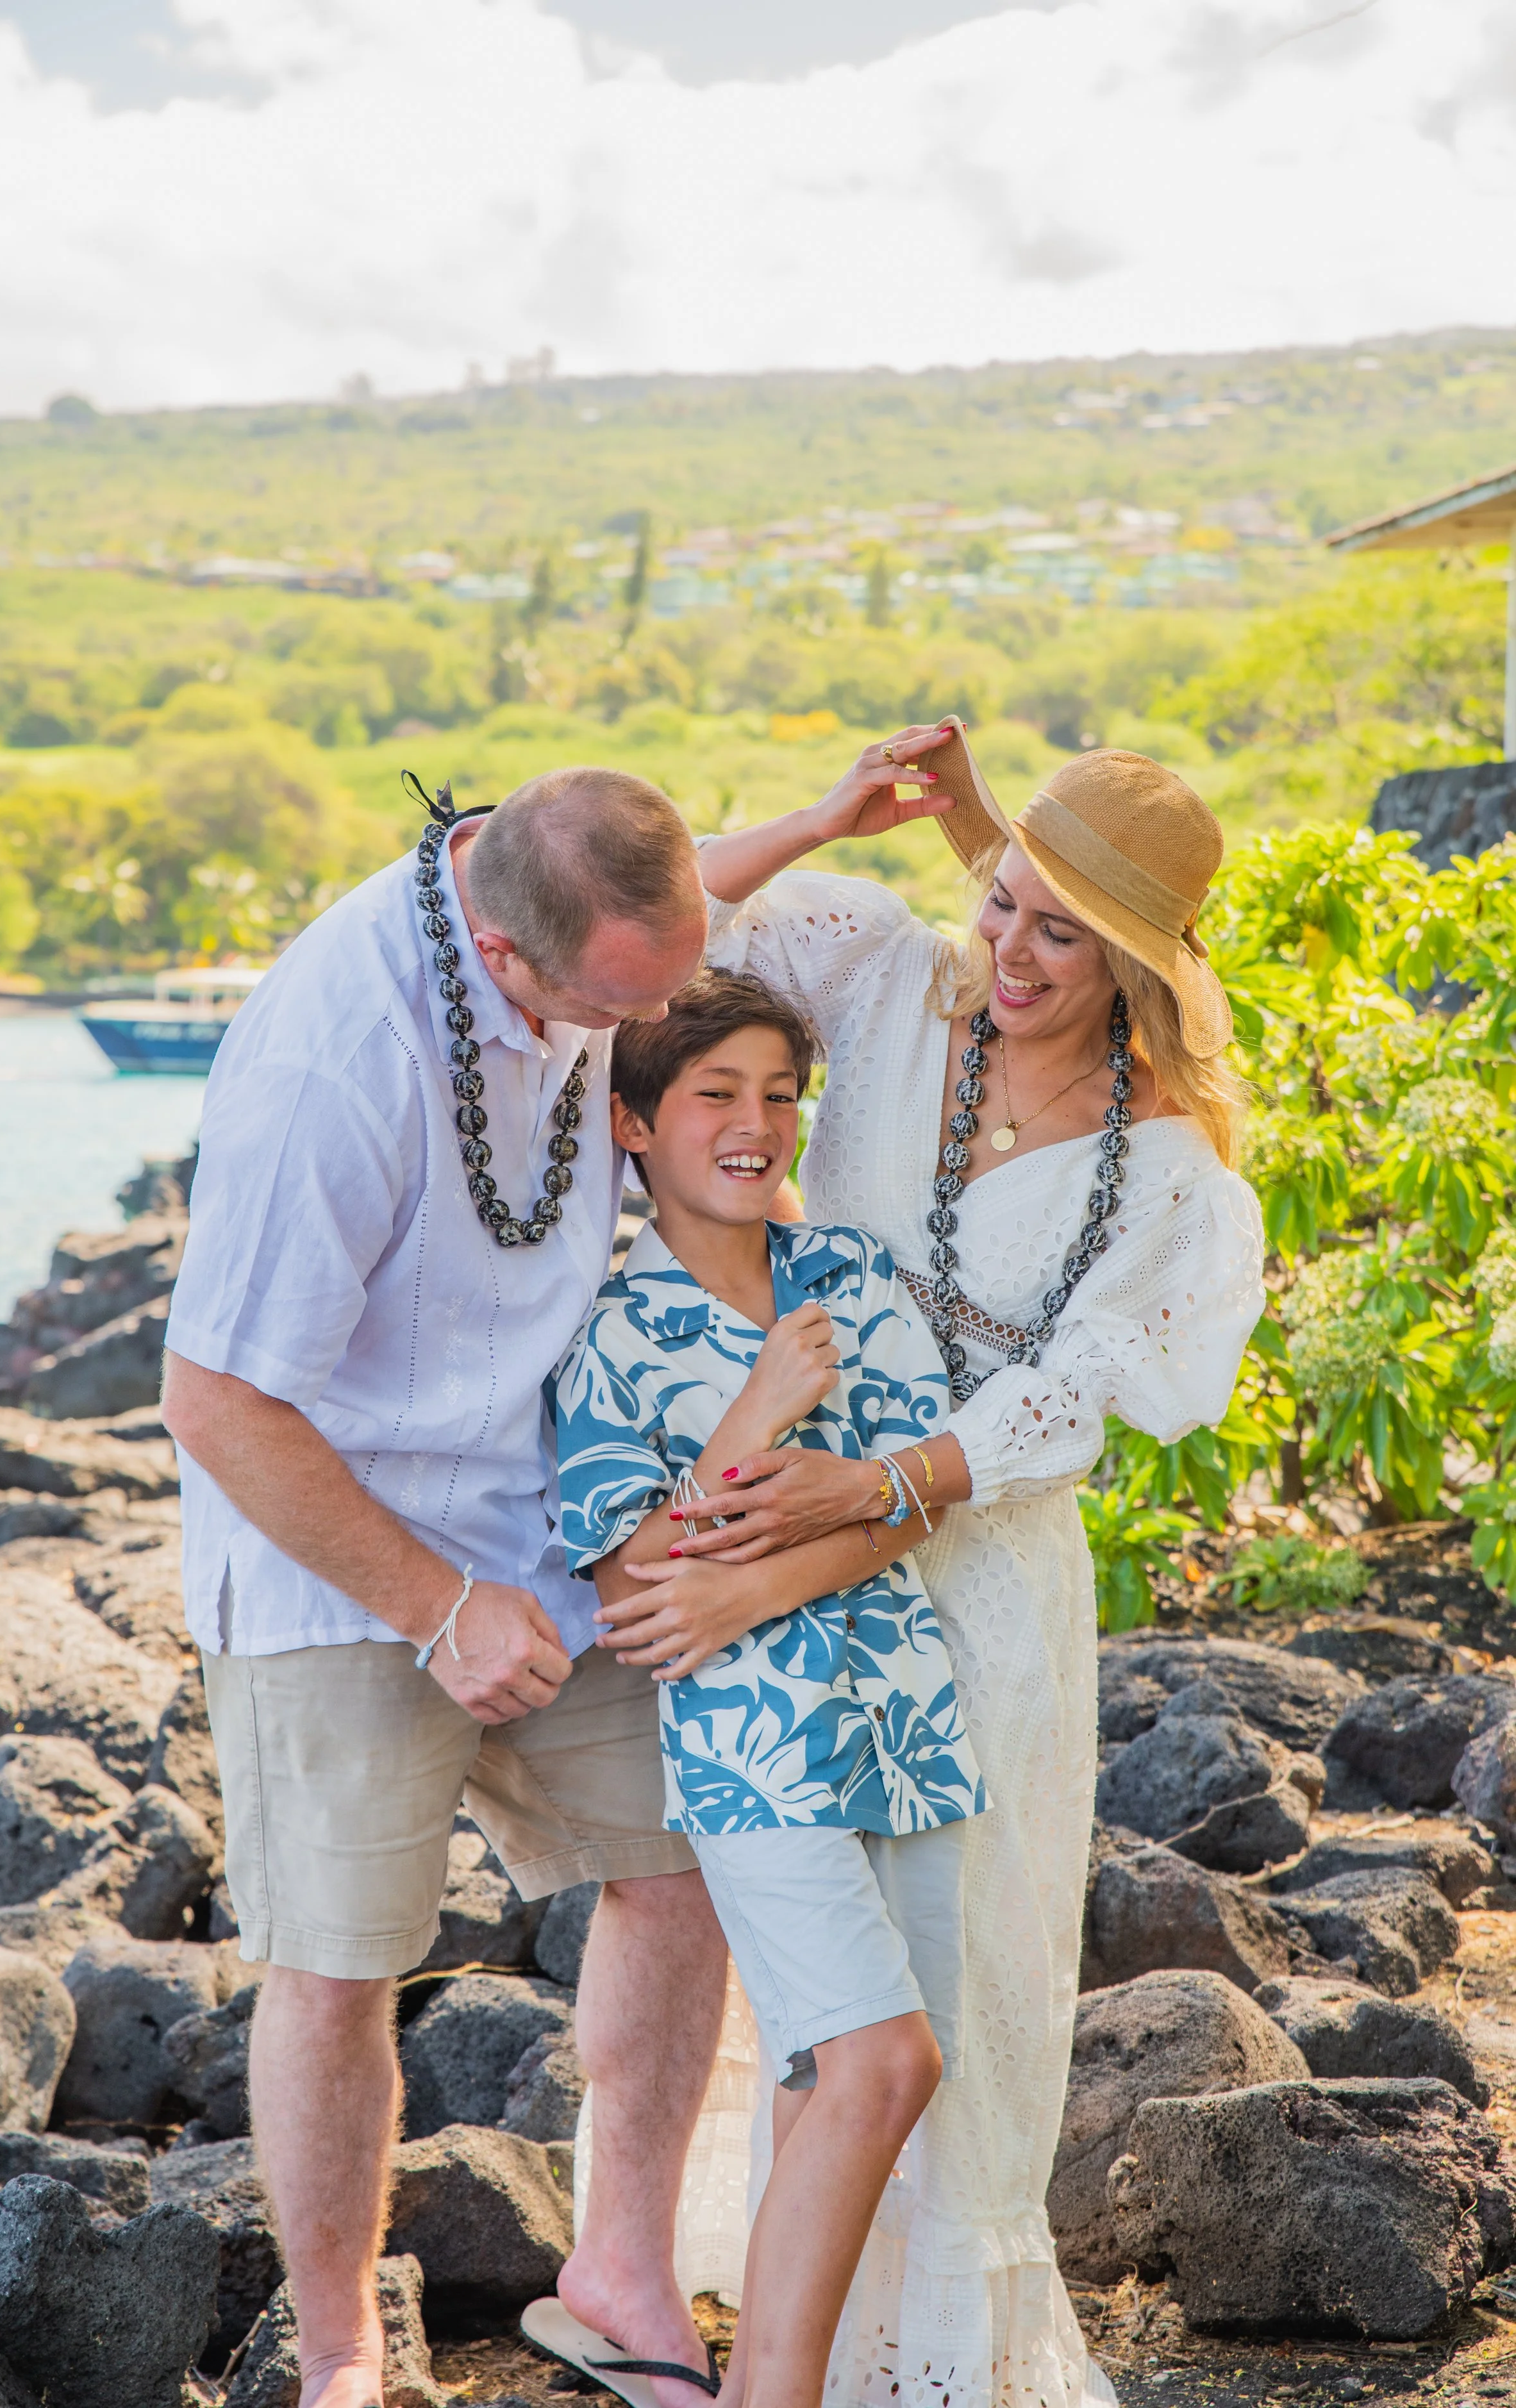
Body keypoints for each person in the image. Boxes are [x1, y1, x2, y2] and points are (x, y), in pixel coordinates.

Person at [646, 724, 1265, 2408]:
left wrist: (885, 1481)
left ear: (1132, 962)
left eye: (1058, 933)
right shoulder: (885, 985)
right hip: (777, 1545)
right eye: (998, 904)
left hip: (980, 1576)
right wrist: (831, 815)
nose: (1006, 955)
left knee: (957, 1963)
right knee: (800, 1946)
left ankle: (908, 2362)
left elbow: (1071, 1399)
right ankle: (754, 2327)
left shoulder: (1170, 1175)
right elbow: (655, 926)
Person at [160, 765, 731, 2408]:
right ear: (498, 957)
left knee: (681, 1864)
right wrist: (432, 1603)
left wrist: (818, 830)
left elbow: (668, 921)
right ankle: (341, 2346)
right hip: (332, 1553)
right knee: (339, 1965)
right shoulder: (332, 1066)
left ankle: (618, 2267)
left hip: (548, 1512)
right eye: (625, 1010)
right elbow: (214, 1401)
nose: (657, 1023)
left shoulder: (582, 903)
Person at [548, 967, 987, 2408]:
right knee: (880, 2065)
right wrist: (753, 1425)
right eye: (714, 1096)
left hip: (910, 1721)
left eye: (778, 1095)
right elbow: (629, 1577)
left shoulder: (849, 1274)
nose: (755, 1125)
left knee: (831, 2085)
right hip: (751, 1749)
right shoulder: (608, 1331)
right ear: (632, 1125)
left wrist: (765, 1553)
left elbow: (920, 1498)